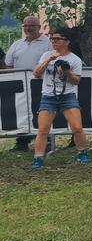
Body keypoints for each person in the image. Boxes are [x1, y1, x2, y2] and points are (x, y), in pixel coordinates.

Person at [30, 26, 90, 170]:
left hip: (67, 96)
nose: (54, 41)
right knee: (43, 129)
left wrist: (66, 72)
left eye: (57, 39)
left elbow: (77, 81)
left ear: (67, 41)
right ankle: (38, 158)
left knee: (77, 127)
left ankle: (82, 152)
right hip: (48, 96)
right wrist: (49, 59)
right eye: (52, 39)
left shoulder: (74, 59)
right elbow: (36, 74)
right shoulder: (47, 55)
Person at [4, 16, 50, 151]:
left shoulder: (48, 43)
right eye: (25, 26)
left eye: (32, 26)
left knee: (41, 113)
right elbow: (8, 65)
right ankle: (21, 143)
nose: (28, 28)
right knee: (22, 113)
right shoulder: (16, 44)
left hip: (40, 85)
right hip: (20, 87)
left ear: (39, 27)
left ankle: (46, 143)